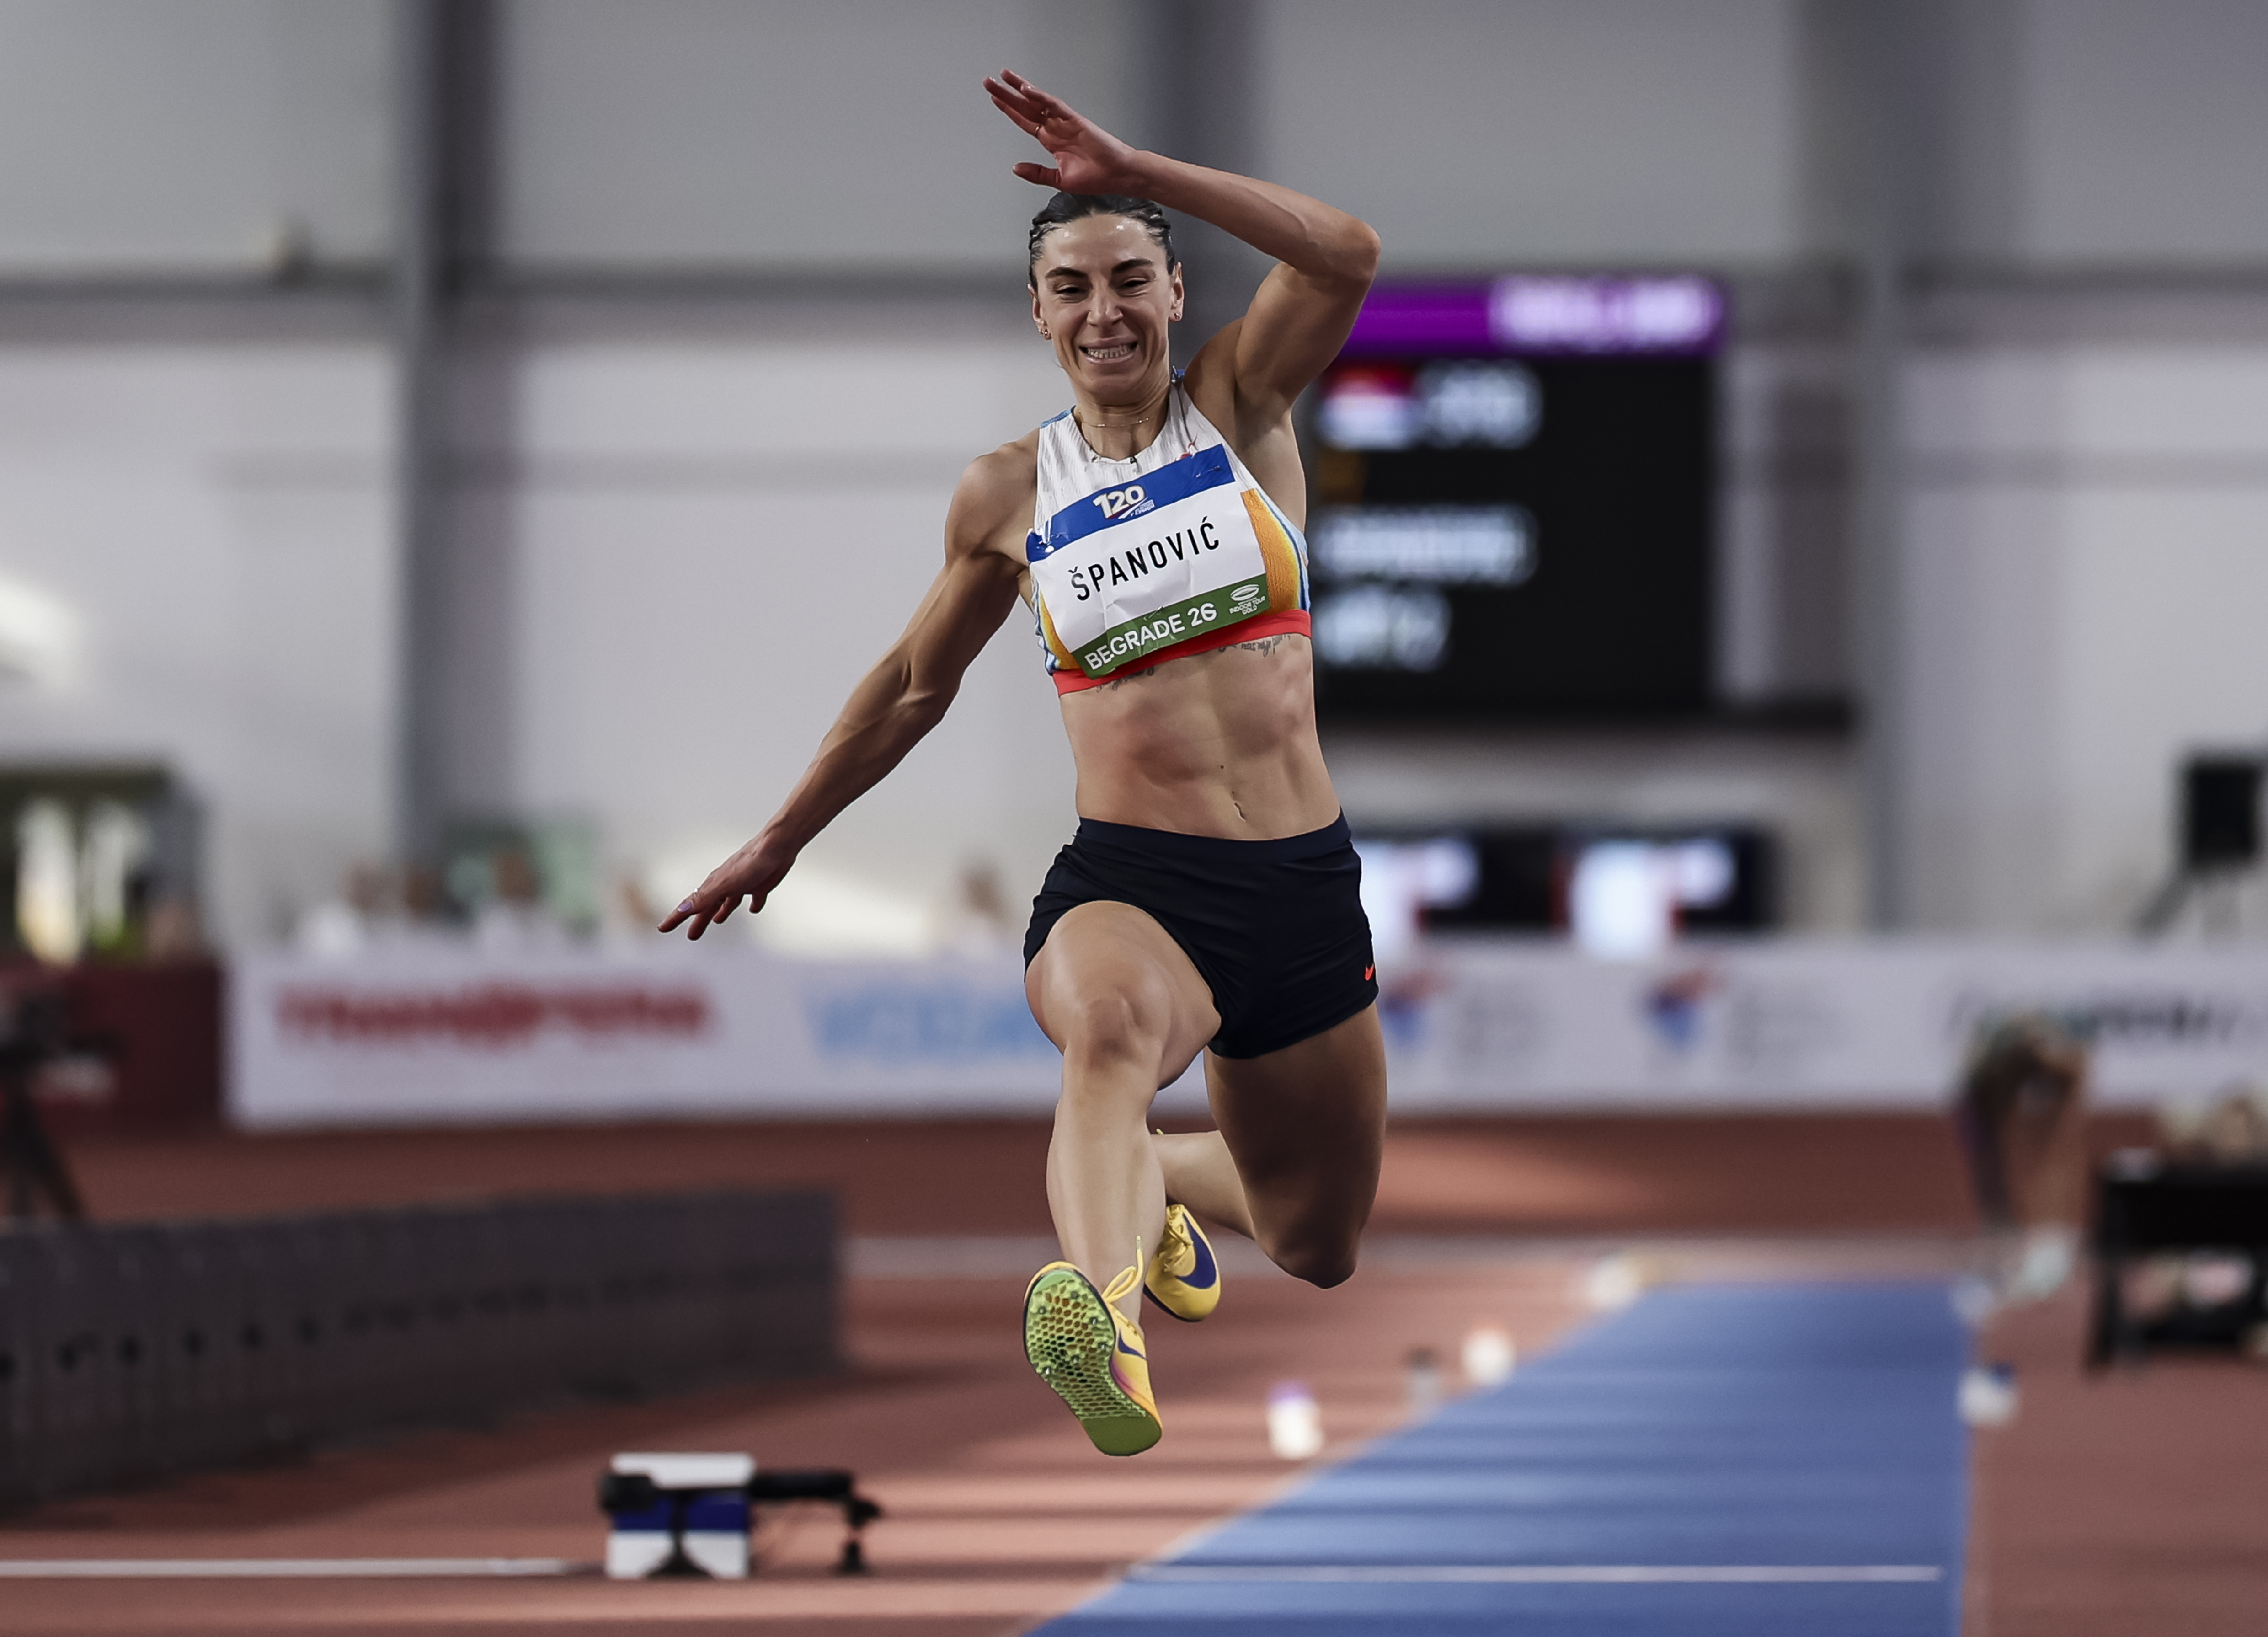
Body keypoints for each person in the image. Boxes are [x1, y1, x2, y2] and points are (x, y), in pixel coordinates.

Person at [661, 69, 1386, 1457]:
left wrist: (1139, 169)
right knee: (1111, 1035)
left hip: (1298, 882)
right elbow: (911, 687)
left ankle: (1157, 1184)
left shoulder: (1239, 403)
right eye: (1071, 288)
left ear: (1175, 293)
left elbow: (1344, 251)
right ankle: (1103, 1316)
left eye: (1129, 279)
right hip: (1133, 878)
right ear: (1038, 313)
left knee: (1318, 1235)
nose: (1102, 310)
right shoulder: (1008, 494)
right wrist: (781, 837)